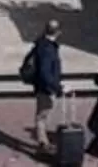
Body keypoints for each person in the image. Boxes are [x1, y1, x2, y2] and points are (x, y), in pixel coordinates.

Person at [21, 20, 68, 151]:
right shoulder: (48, 49)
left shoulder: (41, 44)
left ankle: (43, 142)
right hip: (45, 88)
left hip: (43, 86)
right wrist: (58, 87)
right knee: (42, 115)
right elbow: (45, 73)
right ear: (58, 33)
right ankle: (43, 144)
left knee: (43, 114)